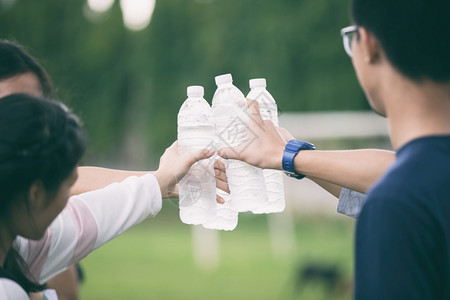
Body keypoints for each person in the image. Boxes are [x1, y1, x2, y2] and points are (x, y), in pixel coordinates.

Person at [218, 0, 450, 298]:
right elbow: (403, 173)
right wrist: (292, 155)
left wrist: (290, 156)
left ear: (368, 43)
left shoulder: (396, 206)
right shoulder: (425, 184)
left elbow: (399, 187)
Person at [0, 93, 214, 299]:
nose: (72, 196)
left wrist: (160, 182)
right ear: (35, 194)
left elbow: (89, 219)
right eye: (68, 186)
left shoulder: (18, 247)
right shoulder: (7, 291)